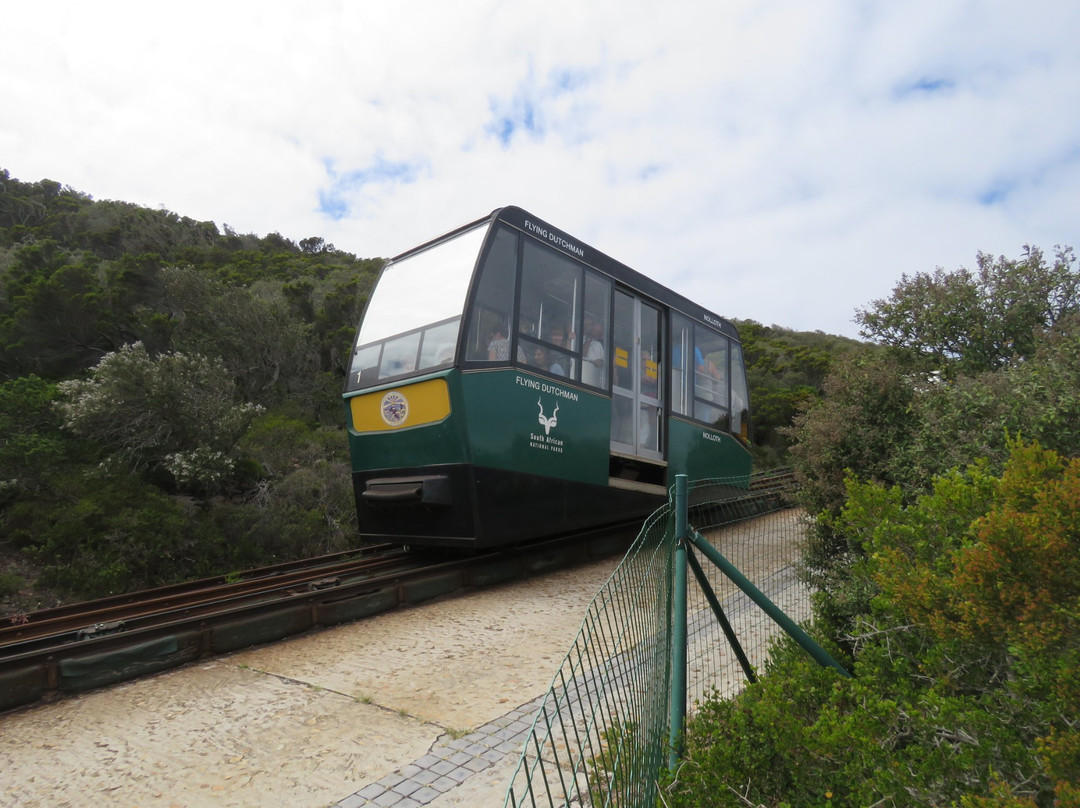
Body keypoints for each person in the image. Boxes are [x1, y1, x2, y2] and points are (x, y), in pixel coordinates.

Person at [581, 315, 605, 386]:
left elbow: (603, 361)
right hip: (582, 375)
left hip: (594, 378)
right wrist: (588, 339)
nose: (590, 328)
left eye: (590, 325)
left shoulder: (598, 344)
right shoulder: (580, 339)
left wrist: (600, 362)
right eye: (586, 325)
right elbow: (583, 354)